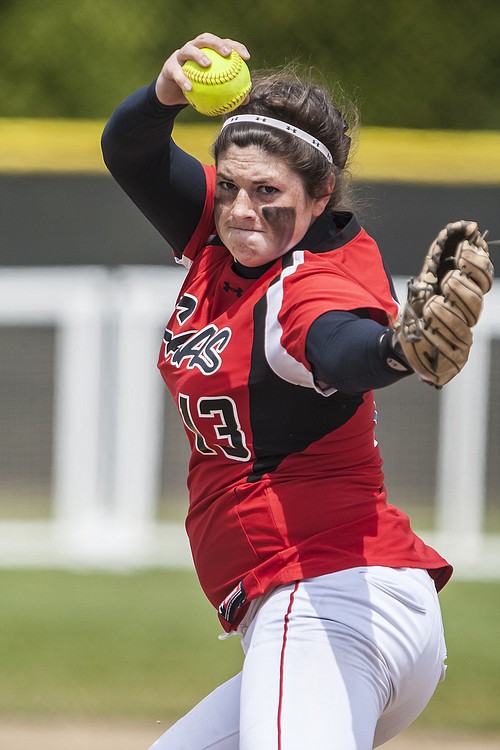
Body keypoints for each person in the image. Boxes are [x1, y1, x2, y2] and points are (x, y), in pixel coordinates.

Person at [102, 32, 452, 750]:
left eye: (267, 193)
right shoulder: (228, 238)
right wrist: (166, 91)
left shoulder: (309, 279)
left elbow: (337, 347)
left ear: (321, 196)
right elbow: (130, 151)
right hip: (341, 603)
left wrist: (396, 350)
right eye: (228, 184)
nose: (238, 209)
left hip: (326, 601)